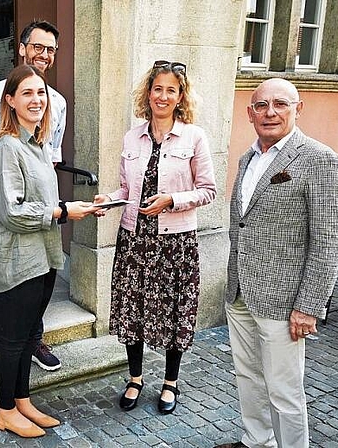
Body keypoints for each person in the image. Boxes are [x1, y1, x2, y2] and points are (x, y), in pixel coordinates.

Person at [215, 78, 338, 448]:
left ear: (297, 109)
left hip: (285, 302)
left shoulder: (319, 159)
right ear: (250, 112)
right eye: (261, 105)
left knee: (285, 392)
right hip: (240, 292)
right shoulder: (247, 157)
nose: (270, 112)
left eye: (281, 104)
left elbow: (329, 240)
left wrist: (308, 307)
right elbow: (244, 221)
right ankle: (257, 441)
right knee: (248, 377)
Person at [94, 61, 216, 415]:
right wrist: (109, 198)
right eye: (157, 88)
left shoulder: (194, 136)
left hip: (175, 243)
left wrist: (172, 201)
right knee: (133, 308)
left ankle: (170, 382)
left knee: (174, 310)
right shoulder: (133, 136)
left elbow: (207, 190)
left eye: (171, 90)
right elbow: (126, 187)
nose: (163, 96)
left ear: (180, 97)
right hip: (134, 238)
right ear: (148, 93)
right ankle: (135, 378)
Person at [0, 64, 97, 438]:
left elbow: (43, 200)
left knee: (27, 338)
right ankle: (4, 410)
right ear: (11, 101)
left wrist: (77, 206)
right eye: (27, 93)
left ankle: (22, 401)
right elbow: (12, 212)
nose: (36, 100)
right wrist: (64, 211)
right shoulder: (8, 146)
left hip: (44, 257)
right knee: (12, 340)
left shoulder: (38, 145)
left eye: (41, 93)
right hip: (18, 262)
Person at [0, 20, 66, 372]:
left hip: (41, 207)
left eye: (51, 50)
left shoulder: (56, 102)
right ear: (22, 47)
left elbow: (51, 156)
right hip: (7, 201)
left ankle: (31, 339)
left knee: (40, 277)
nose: (44, 55)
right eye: (38, 47)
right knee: (8, 277)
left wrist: (54, 207)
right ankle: (7, 344)